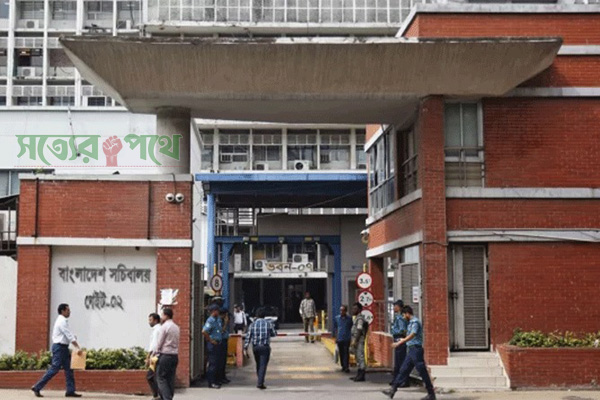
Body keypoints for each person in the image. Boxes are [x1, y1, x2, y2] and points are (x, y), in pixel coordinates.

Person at [383, 306, 436, 400]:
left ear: (407, 313)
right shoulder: (410, 323)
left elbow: (413, 334)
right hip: (411, 350)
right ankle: (393, 390)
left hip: (416, 350)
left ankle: (431, 393)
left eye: (404, 315)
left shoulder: (415, 322)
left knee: (422, 372)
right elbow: (409, 336)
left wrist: (400, 342)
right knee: (403, 370)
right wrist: (402, 339)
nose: (403, 317)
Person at [32, 303, 83, 398]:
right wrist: (77, 347)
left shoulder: (63, 321)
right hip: (59, 348)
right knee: (54, 369)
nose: (69, 312)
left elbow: (67, 335)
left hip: (63, 348)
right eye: (68, 310)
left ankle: (70, 391)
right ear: (62, 311)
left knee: (69, 369)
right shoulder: (62, 321)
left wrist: (73, 339)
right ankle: (37, 387)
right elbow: (68, 335)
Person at [244, 307, 277, 389]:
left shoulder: (252, 324)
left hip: (255, 347)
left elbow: (248, 337)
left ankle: (260, 379)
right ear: (264, 316)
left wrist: (245, 348)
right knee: (263, 365)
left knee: (258, 364)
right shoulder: (268, 324)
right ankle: (260, 382)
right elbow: (274, 334)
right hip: (265, 347)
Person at [156, 308, 180, 400]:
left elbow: (160, 342)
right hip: (174, 355)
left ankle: (167, 398)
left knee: (161, 378)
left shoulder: (164, 327)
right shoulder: (176, 327)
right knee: (170, 378)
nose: (161, 317)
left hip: (165, 354)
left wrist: (155, 352)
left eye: (162, 315)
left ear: (166, 315)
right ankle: (169, 396)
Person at [202, 304, 223, 389]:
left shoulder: (218, 319)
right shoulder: (210, 320)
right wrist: (210, 340)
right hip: (212, 344)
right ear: (213, 311)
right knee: (213, 363)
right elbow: (204, 331)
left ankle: (216, 380)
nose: (218, 312)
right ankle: (211, 382)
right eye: (217, 310)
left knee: (217, 363)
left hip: (218, 343)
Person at [390, 300, 408, 386]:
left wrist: (395, 331)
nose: (394, 308)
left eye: (395, 306)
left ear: (399, 307)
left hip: (399, 338)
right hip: (399, 338)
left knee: (400, 360)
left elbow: (402, 329)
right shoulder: (399, 316)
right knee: (398, 360)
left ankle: (402, 380)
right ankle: (397, 380)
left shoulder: (400, 317)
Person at [349, 302, 368, 382]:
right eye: (353, 308)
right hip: (356, 339)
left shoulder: (360, 319)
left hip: (359, 340)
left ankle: (362, 375)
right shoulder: (357, 318)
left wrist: (355, 340)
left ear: (359, 310)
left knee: (360, 356)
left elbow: (359, 330)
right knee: (357, 356)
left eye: (355, 309)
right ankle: (358, 374)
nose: (353, 310)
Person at [333, 305, 353, 373]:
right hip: (340, 338)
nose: (341, 312)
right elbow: (336, 328)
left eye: (343, 310)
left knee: (346, 352)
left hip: (347, 338)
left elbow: (351, 327)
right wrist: (336, 337)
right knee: (341, 353)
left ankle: (346, 366)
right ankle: (343, 366)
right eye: (341, 310)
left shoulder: (349, 319)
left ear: (346, 311)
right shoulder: (337, 318)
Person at [146, 313, 161, 400]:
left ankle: (157, 396)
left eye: (150, 320)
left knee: (150, 376)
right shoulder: (158, 329)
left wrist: (148, 357)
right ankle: (157, 395)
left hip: (155, 357)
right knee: (154, 376)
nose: (149, 322)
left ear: (155, 320)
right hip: (157, 356)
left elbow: (153, 345)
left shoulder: (157, 330)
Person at [218, 308, 231, 385]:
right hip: (221, 341)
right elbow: (221, 331)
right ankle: (219, 377)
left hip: (224, 340)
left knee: (223, 361)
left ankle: (222, 377)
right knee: (220, 361)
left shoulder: (222, 321)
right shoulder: (219, 321)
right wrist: (226, 323)